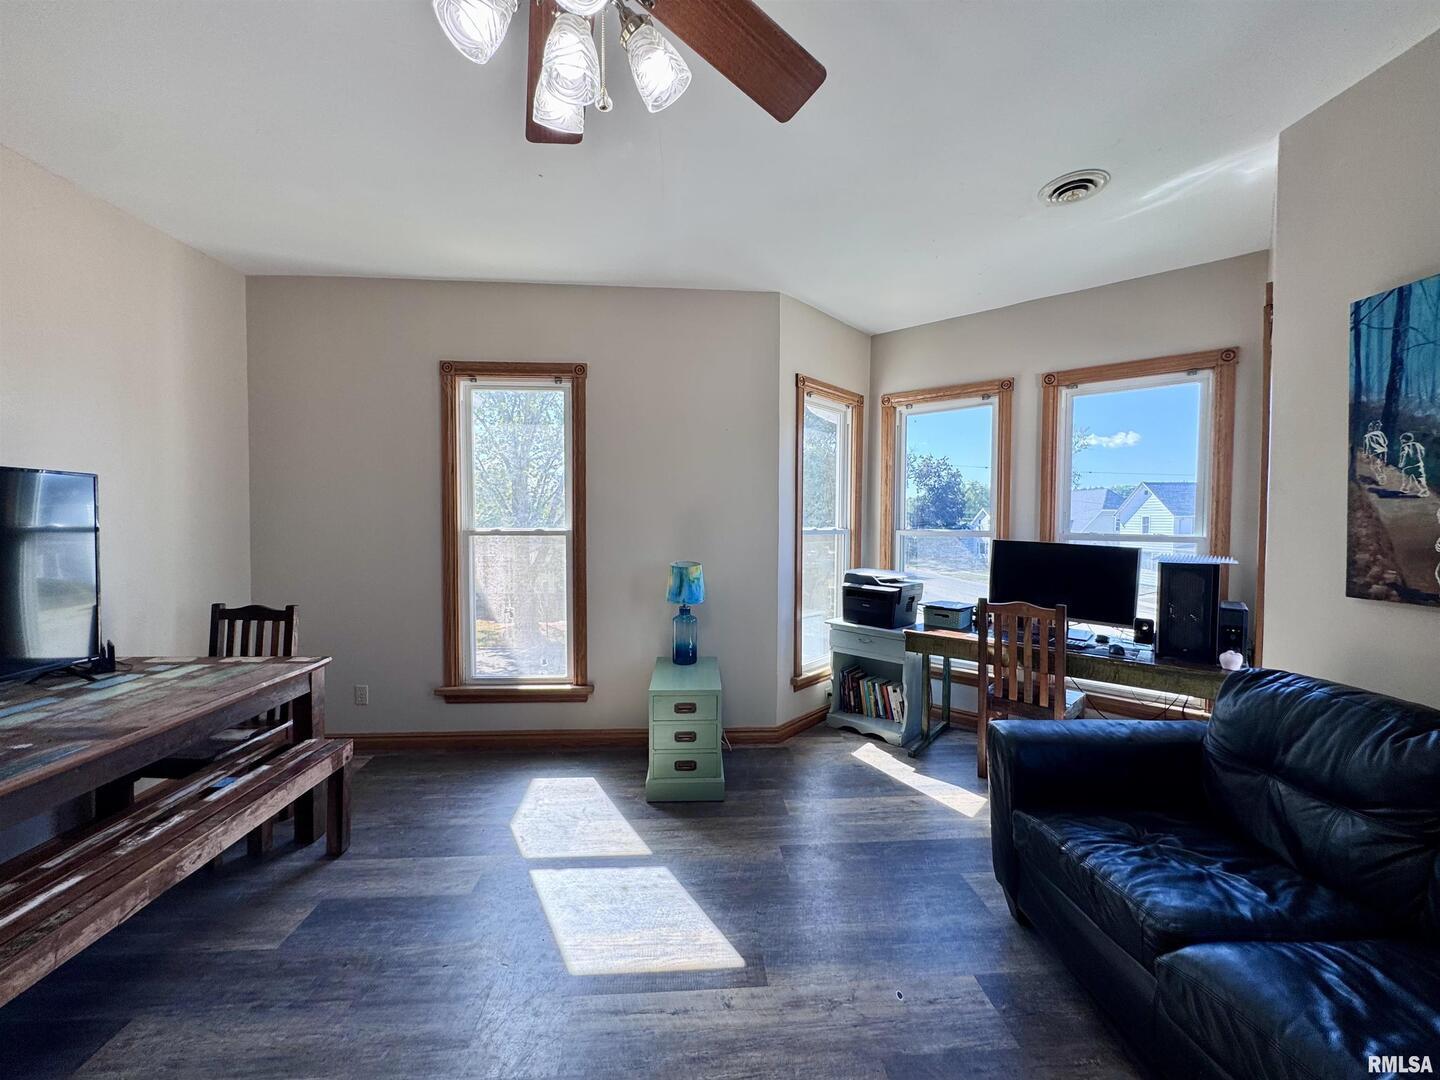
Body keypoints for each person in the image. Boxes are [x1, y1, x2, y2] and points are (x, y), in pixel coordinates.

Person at [1397, 432, 1429, 497]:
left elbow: (1403, 455)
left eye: (1401, 440)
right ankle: (1424, 490)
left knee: (1406, 478)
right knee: (1420, 478)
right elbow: (1422, 451)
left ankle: (1405, 488)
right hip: (1418, 464)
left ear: (1403, 440)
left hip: (1407, 466)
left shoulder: (1404, 446)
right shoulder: (1417, 444)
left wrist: (1401, 464)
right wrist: (1420, 457)